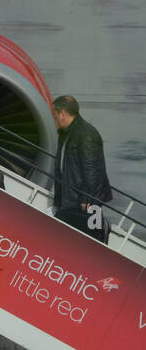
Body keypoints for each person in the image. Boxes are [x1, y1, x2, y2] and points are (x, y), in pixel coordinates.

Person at [52, 95, 112, 243]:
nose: (55, 120)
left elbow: (92, 172)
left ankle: (101, 228)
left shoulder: (85, 134)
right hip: (72, 198)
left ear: (63, 114)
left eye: (55, 115)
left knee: (90, 240)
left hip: (83, 201)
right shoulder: (67, 133)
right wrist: (58, 199)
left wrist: (86, 199)